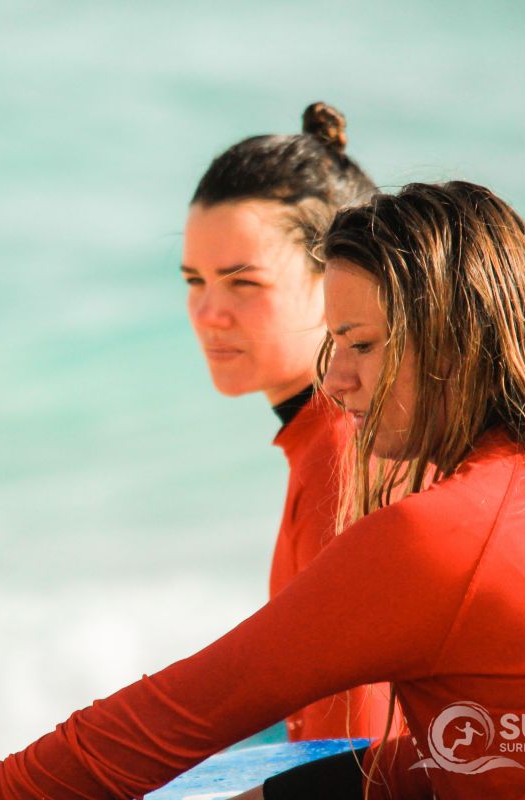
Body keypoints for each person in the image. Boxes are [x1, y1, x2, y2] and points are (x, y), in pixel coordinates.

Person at [0, 181, 525, 799]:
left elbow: (166, 722)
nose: (336, 381)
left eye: (362, 345)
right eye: (334, 344)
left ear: (455, 341)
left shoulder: (441, 534)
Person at [182, 101, 393, 742]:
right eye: (194, 281)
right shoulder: (336, 434)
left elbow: (354, 749)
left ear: (339, 282)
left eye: (242, 283)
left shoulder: (345, 453)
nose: (208, 312)